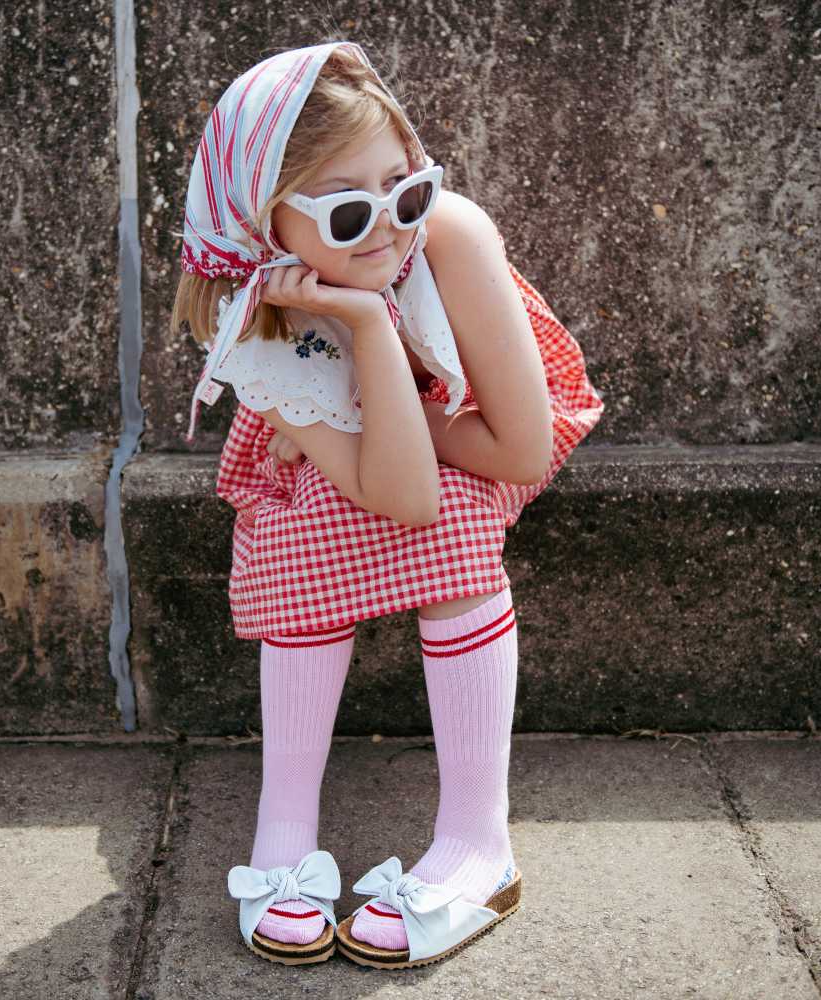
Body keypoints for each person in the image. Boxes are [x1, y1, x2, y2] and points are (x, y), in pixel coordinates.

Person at [171, 41, 604, 969]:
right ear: (268, 224)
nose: (388, 227)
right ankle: (284, 826)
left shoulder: (447, 234)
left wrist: (386, 373)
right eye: (347, 209)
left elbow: (517, 447)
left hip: (481, 409)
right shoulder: (259, 313)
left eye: (404, 186)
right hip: (376, 449)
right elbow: (388, 490)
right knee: (297, 527)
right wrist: (364, 336)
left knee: (450, 519)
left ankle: (479, 843)